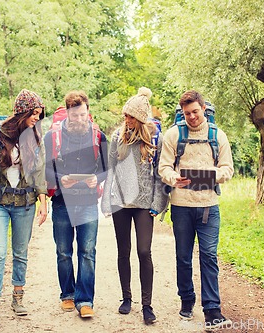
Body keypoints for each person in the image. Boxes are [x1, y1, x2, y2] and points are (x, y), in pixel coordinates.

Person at [0, 89, 48, 331]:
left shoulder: (35, 136)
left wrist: (43, 203)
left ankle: (18, 296)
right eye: (34, 113)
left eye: (39, 114)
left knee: (20, 251)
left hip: (25, 203)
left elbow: (39, 171)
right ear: (22, 112)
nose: (37, 118)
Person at [158, 90, 234, 329]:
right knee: (183, 256)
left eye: (195, 112)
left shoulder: (217, 136)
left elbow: (227, 169)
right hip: (181, 206)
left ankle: (212, 309)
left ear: (203, 109)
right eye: (186, 113)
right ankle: (187, 301)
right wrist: (173, 178)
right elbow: (164, 167)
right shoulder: (173, 135)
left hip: (209, 206)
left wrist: (210, 175)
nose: (191, 117)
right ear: (182, 113)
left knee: (209, 256)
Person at [101, 87, 168, 325]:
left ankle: (147, 305)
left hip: (143, 204)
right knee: (123, 251)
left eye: (130, 116)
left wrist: (159, 202)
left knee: (144, 251)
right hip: (120, 202)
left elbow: (160, 174)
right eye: (125, 116)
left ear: (140, 119)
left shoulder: (153, 140)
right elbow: (110, 169)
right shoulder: (118, 138)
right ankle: (126, 298)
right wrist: (107, 200)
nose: (126, 120)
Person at [44, 90, 108, 319]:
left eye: (83, 115)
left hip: (88, 201)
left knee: (87, 251)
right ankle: (67, 295)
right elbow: (45, 169)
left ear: (88, 112)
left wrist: (96, 179)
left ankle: (85, 300)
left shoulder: (98, 136)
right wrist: (60, 179)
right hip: (61, 201)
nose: (79, 119)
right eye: (74, 116)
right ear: (67, 114)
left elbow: (107, 168)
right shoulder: (52, 137)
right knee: (63, 251)